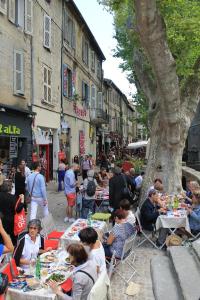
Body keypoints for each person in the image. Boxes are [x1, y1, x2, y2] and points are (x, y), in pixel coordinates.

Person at [0, 181, 25, 245]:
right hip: (11, 221)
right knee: (14, 238)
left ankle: (2, 250)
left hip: (1, 219)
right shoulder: (13, 198)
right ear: (10, 188)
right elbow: (18, 209)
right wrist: (22, 200)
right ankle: (15, 250)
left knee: (2, 237)